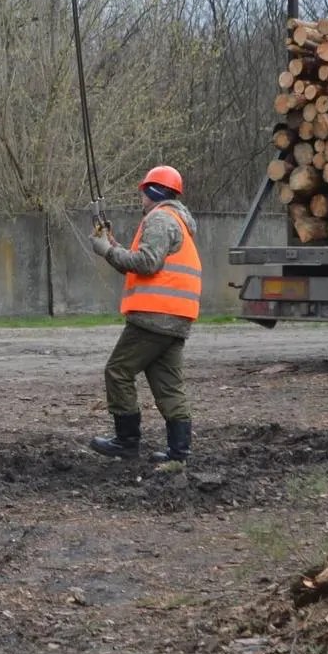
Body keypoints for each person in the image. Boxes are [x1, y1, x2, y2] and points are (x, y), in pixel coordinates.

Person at [87, 165, 200, 463]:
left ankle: (126, 441)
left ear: (153, 191)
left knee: (118, 371)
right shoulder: (176, 220)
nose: (141, 197)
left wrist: (105, 251)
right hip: (175, 319)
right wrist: (113, 245)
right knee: (167, 384)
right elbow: (144, 262)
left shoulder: (160, 219)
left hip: (154, 317)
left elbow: (147, 263)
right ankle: (179, 452)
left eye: (143, 191)